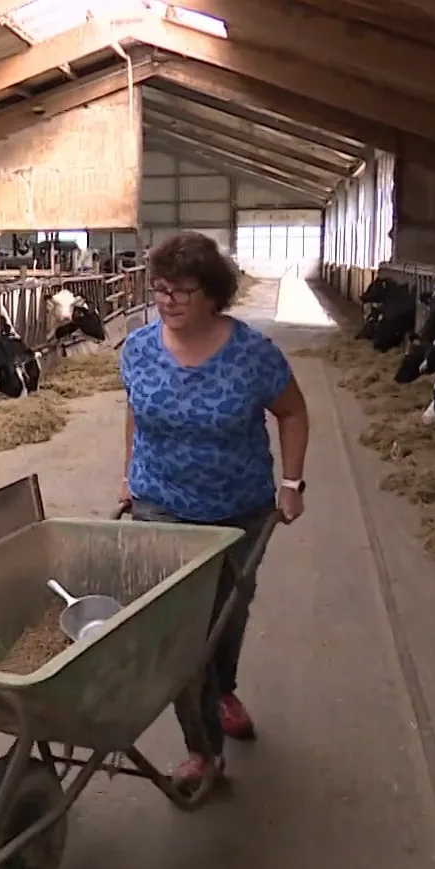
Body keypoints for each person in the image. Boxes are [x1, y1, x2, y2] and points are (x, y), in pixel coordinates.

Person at [118, 232, 309, 786]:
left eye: (183, 290)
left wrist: (291, 483)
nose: (168, 300)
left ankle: (223, 690)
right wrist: (129, 475)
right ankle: (203, 750)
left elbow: (293, 413)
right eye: (160, 289)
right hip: (161, 507)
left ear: (214, 294)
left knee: (228, 618)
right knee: (184, 636)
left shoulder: (253, 355)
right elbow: (135, 411)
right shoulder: (137, 349)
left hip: (238, 510)